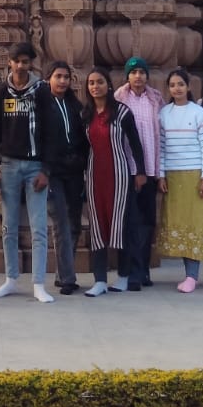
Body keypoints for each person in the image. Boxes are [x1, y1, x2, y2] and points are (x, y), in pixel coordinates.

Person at [0, 41, 52, 302]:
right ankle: (11, 279)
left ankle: (38, 283)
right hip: (10, 165)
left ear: (31, 64)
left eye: (26, 61)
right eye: (17, 61)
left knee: (39, 228)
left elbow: (51, 132)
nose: (21, 66)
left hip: (35, 166)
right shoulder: (2, 92)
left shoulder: (41, 91)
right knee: (9, 227)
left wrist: (46, 169)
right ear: (9, 63)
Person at [81, 68, 145, 297]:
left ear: (108, 85)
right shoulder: (85, 114)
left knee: (121, 225)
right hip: (95, 176)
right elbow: (82, 148)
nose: (95, 86)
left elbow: (135, 144)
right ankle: (99, 280)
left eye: (99, 82)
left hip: (119, 176)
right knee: (98, 226)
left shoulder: (122, 112)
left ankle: (124, 276)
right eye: (91, 83)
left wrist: (140, 172)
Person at [158, 68, 203, 293]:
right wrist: (161, 174)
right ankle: (188, 274)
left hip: (194, 175)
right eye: (172, 85)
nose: (177, 89)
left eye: (181, 84)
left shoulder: (198, 112)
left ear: (188, 87)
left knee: (194, 224)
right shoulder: (164, 113)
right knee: (179, 225)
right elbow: (162, 147)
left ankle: (192, 275)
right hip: (173, 176)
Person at [35, 62, 88, 296]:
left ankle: (62, 273)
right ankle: (68, 278)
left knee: (74, 223)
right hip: (52, 172)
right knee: (61, 222)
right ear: (48, 78)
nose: (63, 81)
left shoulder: (75, 105)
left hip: (74, 171)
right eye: (58, 76)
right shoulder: (41, 105)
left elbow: (82, 137)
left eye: (66, 77)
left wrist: (81, 160)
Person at [114, 57, 163, 290]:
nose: (138, 76)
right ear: (127, 76)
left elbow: (161, 135)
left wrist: (159, 172)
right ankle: (132, 272)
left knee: (148, 221)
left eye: (142, 72)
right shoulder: (119, 98)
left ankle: (143, 270)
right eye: (133, 72)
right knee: (131, 222)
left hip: (150, 169)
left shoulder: (156, 99)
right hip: (128, 168)